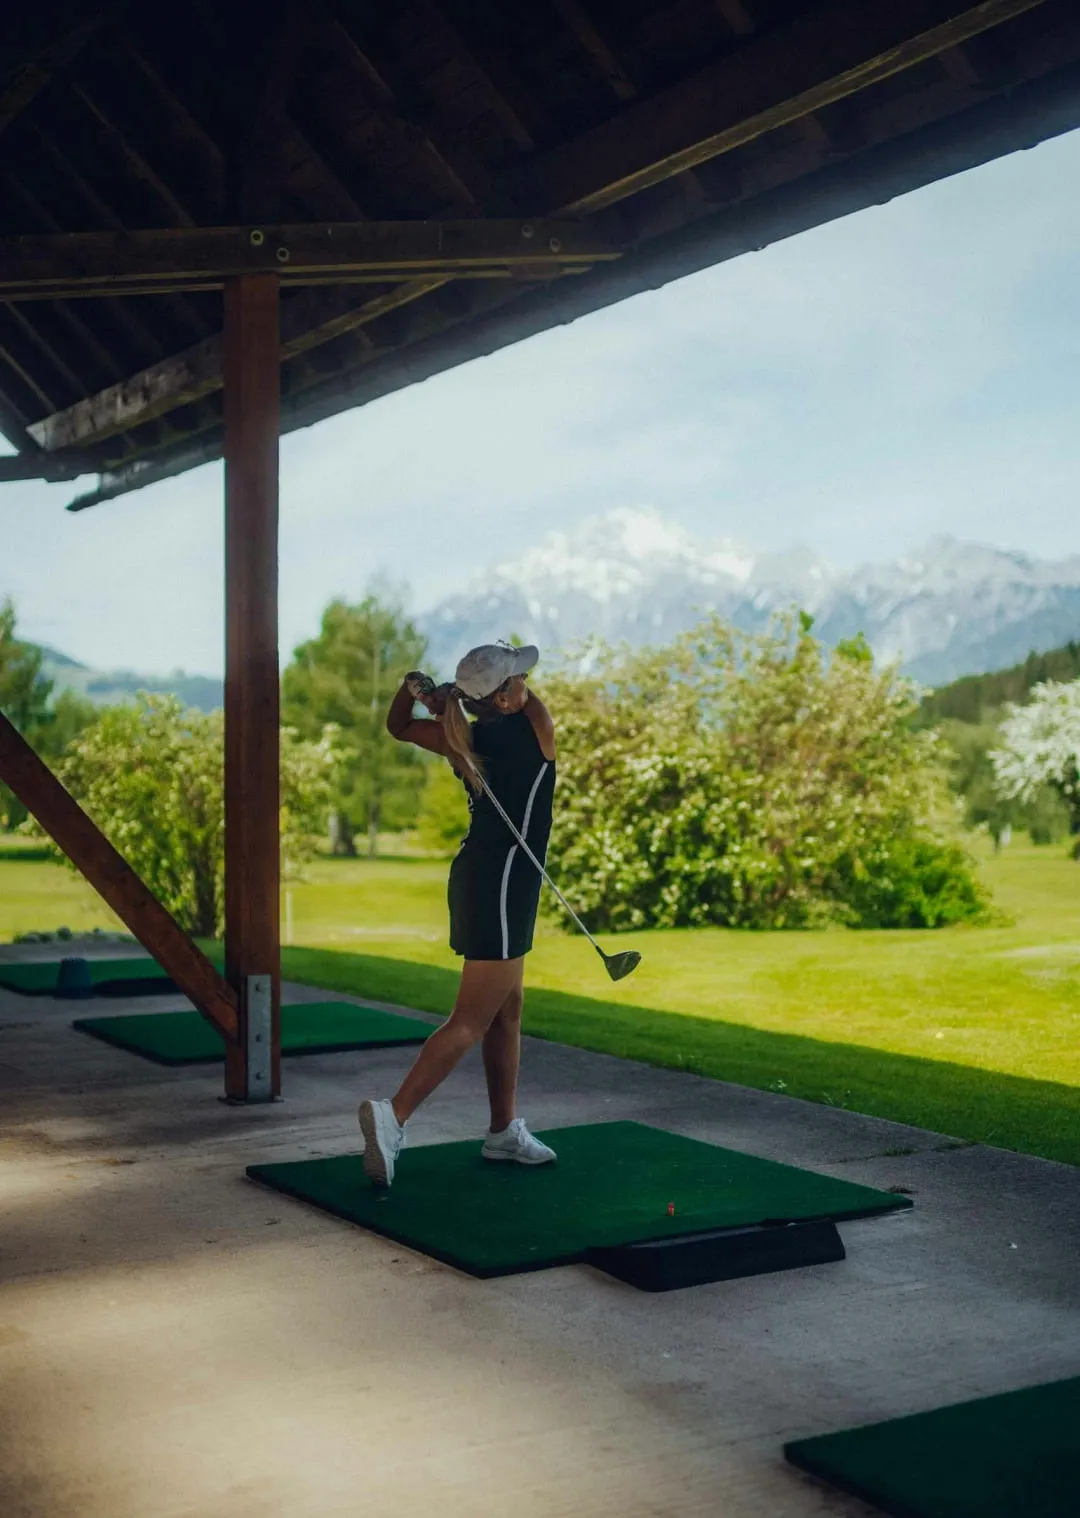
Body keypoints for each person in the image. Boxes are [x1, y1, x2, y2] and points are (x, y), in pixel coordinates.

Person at [357, 642, 558, 1187]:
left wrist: (421, 692)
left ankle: (502, 1132)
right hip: (503, 885)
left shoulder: (458, 736)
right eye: (516, 679)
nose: (526, 684)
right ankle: (392, 1117)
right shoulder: (533, 728)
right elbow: (532, 702)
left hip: (481, 877)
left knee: (507, 1009)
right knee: (471, 1018)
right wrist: (454, 698)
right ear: (504, 697)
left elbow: (399, 726)